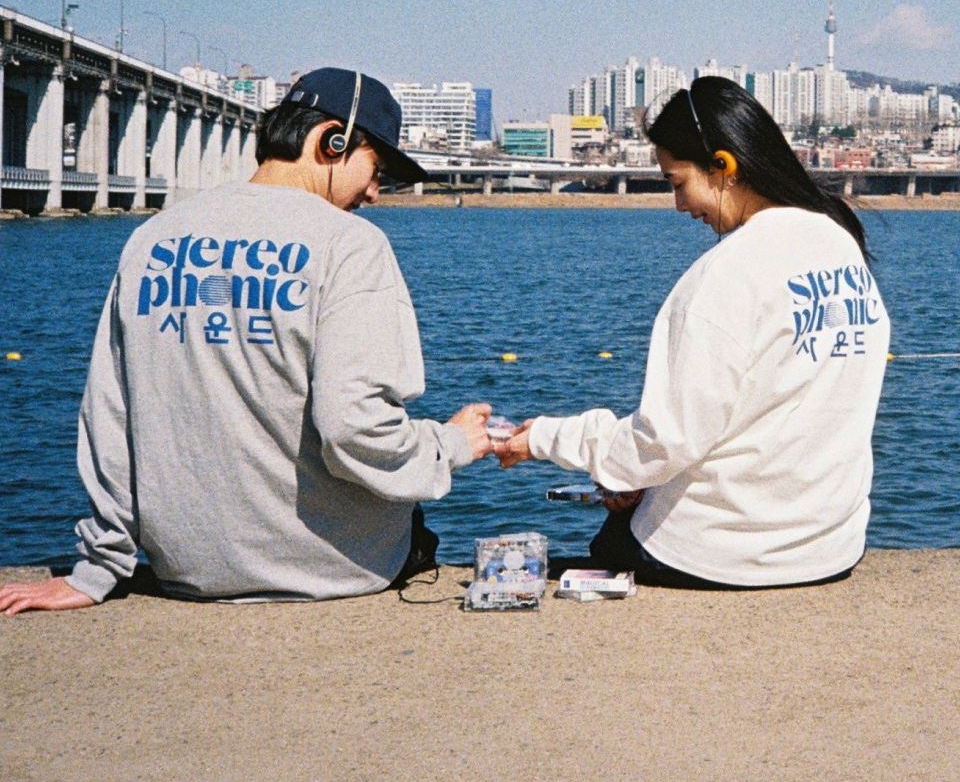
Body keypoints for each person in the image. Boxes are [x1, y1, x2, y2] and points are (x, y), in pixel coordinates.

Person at [0, 67, 492, 615]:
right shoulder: (351, 244)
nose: (375, 193)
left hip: (188, 570)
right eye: (376, 169)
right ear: (331, 140)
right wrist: (452, 444)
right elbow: (356, 426)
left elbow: (109, 416)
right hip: (335, 567)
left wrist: (97, 569)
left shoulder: (153, 237)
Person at [496, 76, 890, 589]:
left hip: (724, 553)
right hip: (829, 547)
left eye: (677, 182)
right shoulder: (840, 245)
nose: (679, 205)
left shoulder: (727, 273)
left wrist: (544, 438)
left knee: (614, 535)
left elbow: (664, 440)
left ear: (723, 166)